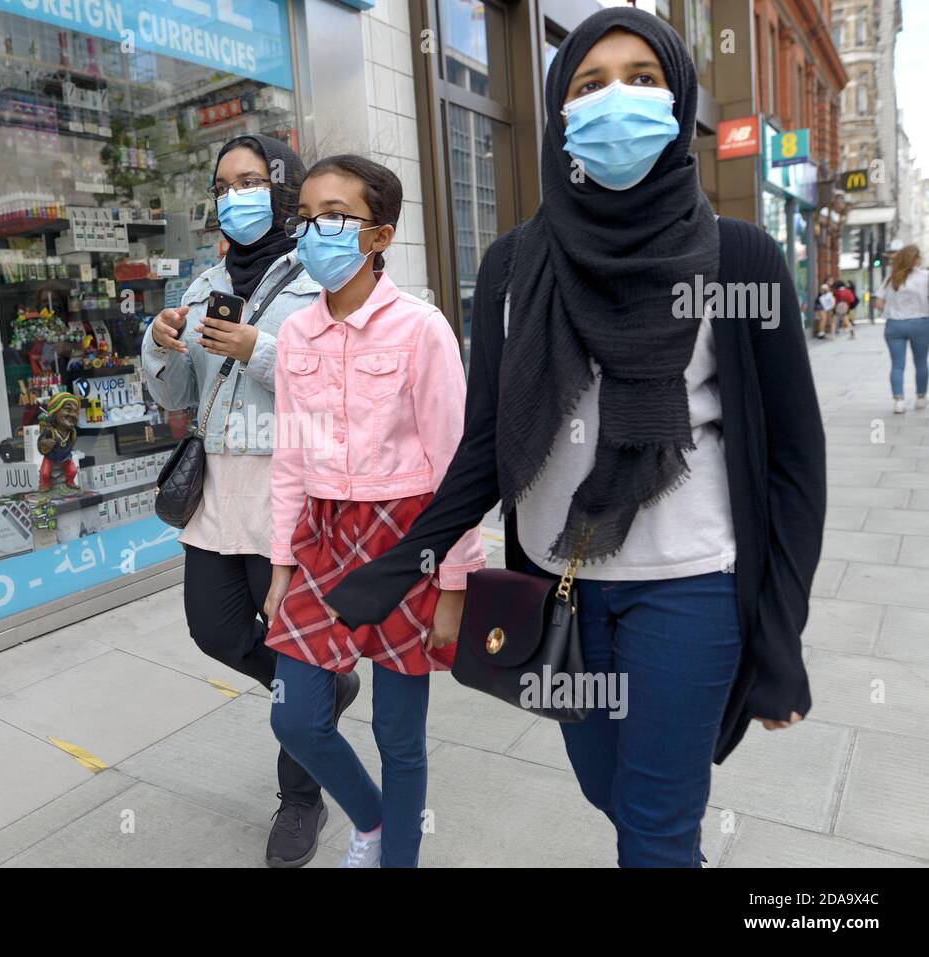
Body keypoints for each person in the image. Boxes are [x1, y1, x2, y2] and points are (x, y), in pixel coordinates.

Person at [322, 7, 826, 868]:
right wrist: (409, 558)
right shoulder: (516, 264)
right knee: (609, 792)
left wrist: (780, 640)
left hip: (690, 591)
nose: (615, 99)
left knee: (657, 827)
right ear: (560, 112)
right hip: (559, 588)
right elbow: (485, 441)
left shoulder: (739, 259)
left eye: (642, 79)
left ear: (678, 104)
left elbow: (794, 468)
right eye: (589, 85)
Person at [141, 134, 359, 867]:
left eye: (252, 180)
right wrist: (160, 343)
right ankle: (319, 694)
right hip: (215, 491)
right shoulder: (203, 286)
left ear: (281, 187)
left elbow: (338, 388)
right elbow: (176, 397)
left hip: (288, 488)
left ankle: (301, 797)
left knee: (295, 646)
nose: (237, 194)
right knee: (214, 628)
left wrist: (256, 350)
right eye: (225, 182)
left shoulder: (319, 276)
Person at [263, 155, 485, 869]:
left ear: (380, 235)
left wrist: (455, 583)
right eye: (305, 216)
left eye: (334, 215)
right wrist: (279, 562)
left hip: (407, 541)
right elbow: (290, 457)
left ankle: (400, 859)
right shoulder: (296, 335)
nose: (313, 230)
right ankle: (371, 819)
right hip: (324, 538)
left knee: (399, 736)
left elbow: (456, 464)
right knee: (295, 715)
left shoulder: (422, 329)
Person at [873, 245, 929, 413]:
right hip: (920, 323)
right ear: (916, 259)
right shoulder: (926, 276)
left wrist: (890, 310)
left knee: (897, 364)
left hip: (895, 324)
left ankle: (899, 401)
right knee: (920, 362)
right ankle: (920, 398)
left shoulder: (891, 278)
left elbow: (878, 303)